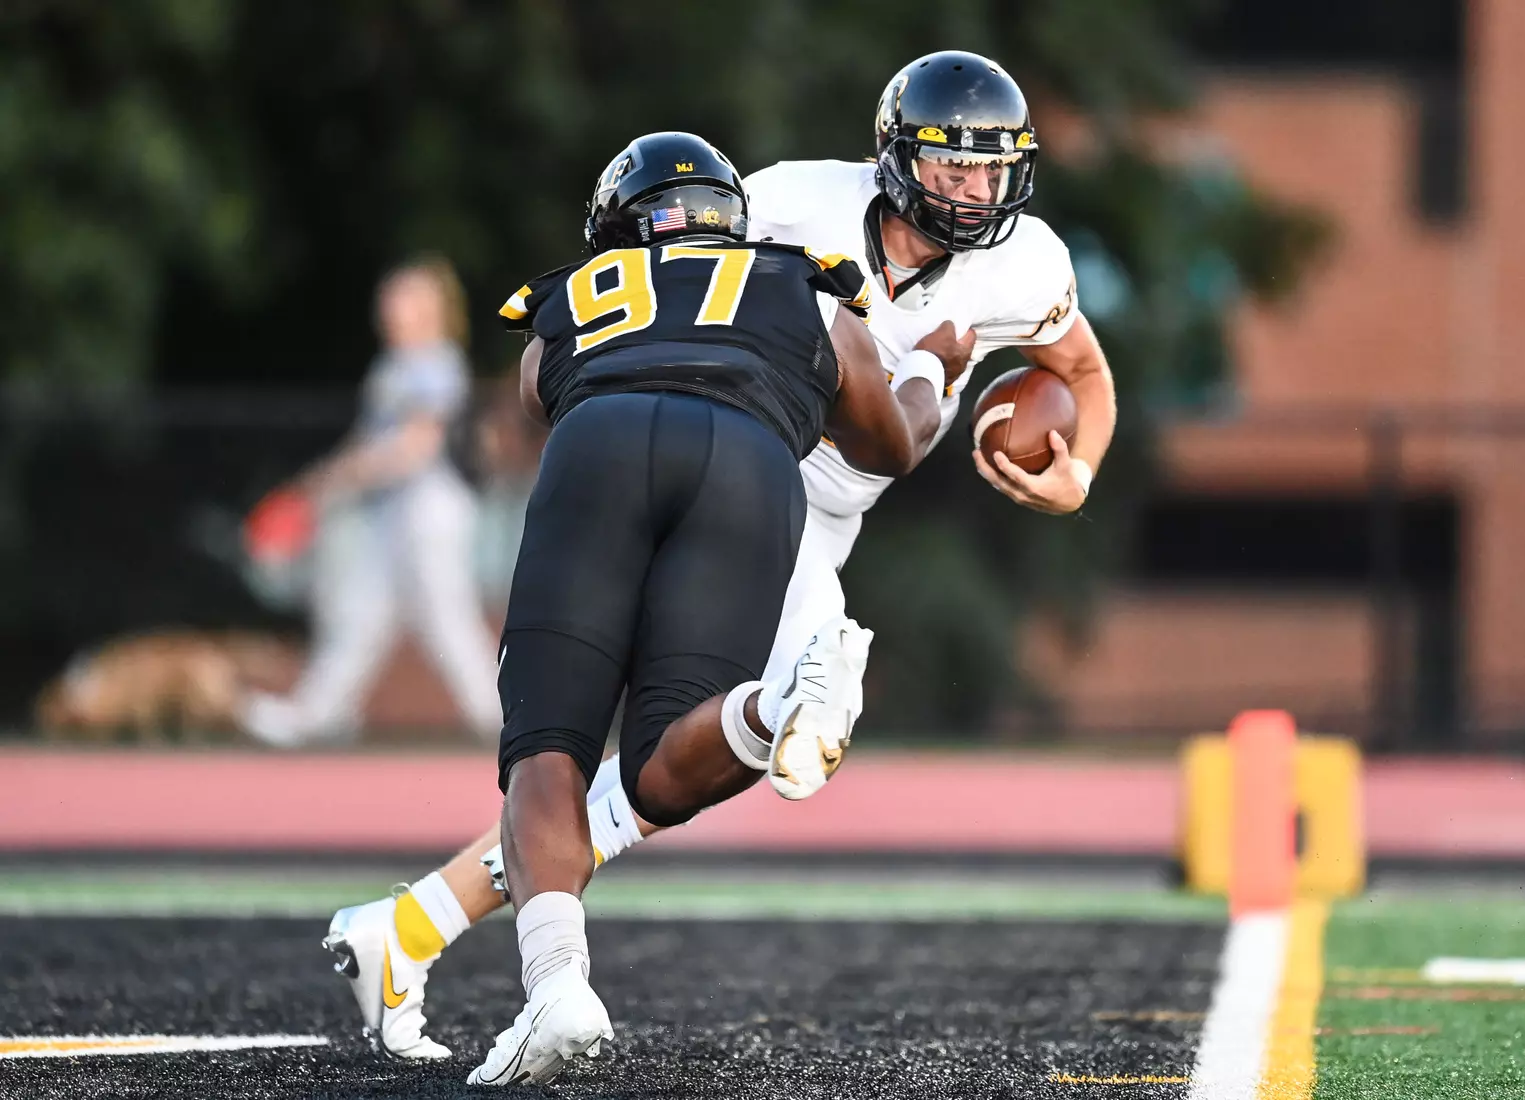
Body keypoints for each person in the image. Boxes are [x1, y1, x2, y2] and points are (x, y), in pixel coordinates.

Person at [324, 50, 1117, 1059]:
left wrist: (1079, 466)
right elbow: (704, 290)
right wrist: (919, 374)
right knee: (771, 712)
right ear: (897, 157)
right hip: (749, 467)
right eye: (954, 165)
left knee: (660, 766)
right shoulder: (790, 205)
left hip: (802, 504)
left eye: (993, 169)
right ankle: (794, 689)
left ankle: (415, 923)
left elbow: (1080, 365)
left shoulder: (1028, 262)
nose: (974, 190)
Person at [238, 257, 504, 746]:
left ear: (433, 308)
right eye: (389, 297)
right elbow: (368, 443)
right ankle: (314, 717)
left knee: (447, 620)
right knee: (361, 616)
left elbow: (415, 444)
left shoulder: (436, 362)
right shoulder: (394, 367)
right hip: (393, 510)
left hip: (431, 509)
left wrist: (335, 480)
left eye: (403, 297)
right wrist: (321, 482)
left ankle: (501, 724)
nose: (389, 308)